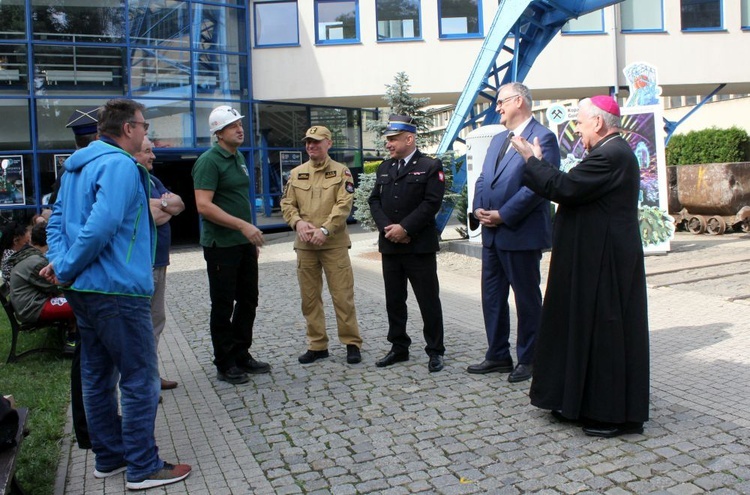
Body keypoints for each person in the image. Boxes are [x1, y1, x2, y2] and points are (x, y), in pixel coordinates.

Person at [43, 98, 191, 489]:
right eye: (143, 126)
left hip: (85, 291)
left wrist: (62, 263)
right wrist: (69, 265)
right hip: (118, 290)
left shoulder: (76, 166)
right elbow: (102, 224)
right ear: (127, 129)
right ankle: (143, 466)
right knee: (140, 378)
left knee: (96, 376)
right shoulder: (122, 165)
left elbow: (55, 219)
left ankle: (109, 459)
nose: (147, 133)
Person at [511, 95, 650, 438]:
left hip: (606, 264)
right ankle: (575, 402)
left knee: (605, 335)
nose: (578, 129)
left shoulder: (611, 154)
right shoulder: (609, 153)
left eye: (582, 123)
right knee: (581, 330)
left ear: (599, 123)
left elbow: (566, 187)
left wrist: (531, 160)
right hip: (593, 259)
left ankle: (610, 414)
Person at [467, 82, 561, 383]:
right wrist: (479, 208)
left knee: (526, 298)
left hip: (520, 233)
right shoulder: (497, 139)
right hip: (492, 234)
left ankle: (530, 359)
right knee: (492, 296)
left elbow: (539, 185)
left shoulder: (543, 137)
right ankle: (497, 355)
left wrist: (504, 215)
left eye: (501, 102)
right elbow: (483, 178)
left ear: (519, 101)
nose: (497, 108)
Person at [192, 105, 270, 385]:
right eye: (232, 126)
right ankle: (224, 362)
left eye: (240, 124)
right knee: (223, 304)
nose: (239, 129)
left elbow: (238, 200)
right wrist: (243, 226)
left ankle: (241, 353)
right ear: (218, 133)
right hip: (220, 245)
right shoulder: (209, 161)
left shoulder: (237, 158)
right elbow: (203, 205)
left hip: (242, 243)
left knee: (249, 300)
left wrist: (248, 237)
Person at [368, 114, 446, 372]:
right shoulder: (384, 168)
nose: (388, 144)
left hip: (418, 246)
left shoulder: (430, 166)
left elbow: (431, 203)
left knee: (428, 300)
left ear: (409, 138)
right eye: (387, 140)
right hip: (391, 245)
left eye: (393, 139)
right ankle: (398, 347)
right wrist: (388, 229)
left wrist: (405, 228)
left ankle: (435, 350)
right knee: (394, 300)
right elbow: (374, 201)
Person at [280, 125, 363, 365]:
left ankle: (351, 343)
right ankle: (317, 345)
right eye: (308, 142)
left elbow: (344, 204)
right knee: (309, 298)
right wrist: (297, 223)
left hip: (333, 244)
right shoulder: (296, 174)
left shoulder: (341, 172)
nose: (311, 146)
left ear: (328, 143)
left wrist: (325, 230)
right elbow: (287, 204)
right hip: (305, 245)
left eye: (316, 141)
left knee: (342, 296)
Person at [134, 136, 185, 390]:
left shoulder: (152, 180)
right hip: (145, 264)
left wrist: (161, 204)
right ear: (134, 154)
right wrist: (164, 205)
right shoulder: (133, 180)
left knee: (156, 321)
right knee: (144, 325)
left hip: (160, 262)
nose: (153, 156)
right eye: (147, 151)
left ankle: (151, 376)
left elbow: (180, 204)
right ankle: (144, 382)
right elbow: (147, 217)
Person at [7, 223, 78, 354]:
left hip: (28, 305)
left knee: (74, 299)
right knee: (79, 303)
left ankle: (73, 334)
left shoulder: (31, 256)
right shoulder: (37, 262)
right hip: (33, 308)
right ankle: (72, 339)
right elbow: (56, 286)